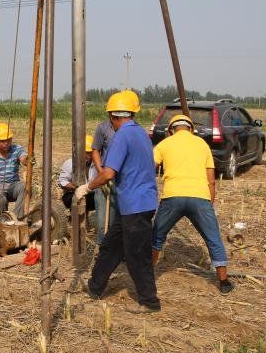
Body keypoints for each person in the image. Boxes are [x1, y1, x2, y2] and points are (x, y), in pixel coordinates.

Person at [73, 90, 160, 313]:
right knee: (110, 246)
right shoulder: (141, 133)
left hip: (135, 206)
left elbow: (109, 173)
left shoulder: (122, 135)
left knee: (136, 255)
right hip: (137, 204)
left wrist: (88, 187)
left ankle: (149, 302)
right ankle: (95, 287)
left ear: (113, 116)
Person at [151, 114, 233, 294]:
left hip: (173, 195)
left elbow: (150, 166)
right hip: (200, 197)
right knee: (213, 239)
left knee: (156, 237)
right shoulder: (202, 144)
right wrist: (208, 204)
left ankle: (148, 275)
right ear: (190, 128)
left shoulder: (164, 144)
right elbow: (211, 180)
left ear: (171, 130)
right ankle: (224, 281)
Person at [91, 116, 118, 245]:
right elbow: (95, 150)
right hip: (105, 180)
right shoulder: (103, 128)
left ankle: (119, 251)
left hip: (124, 182)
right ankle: (102, 248)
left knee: (120, 219)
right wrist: (102, 174)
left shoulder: (133, 129)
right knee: (103, 221)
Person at [59, 135, 97, 212]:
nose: (89, 156)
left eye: (91, 153)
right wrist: (77, 188)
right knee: (75, 199)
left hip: (91, 194)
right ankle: (77, 219)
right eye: (87, 153)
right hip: (73, 194)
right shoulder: (70, 163)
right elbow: (62, 182)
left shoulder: (97, 164)